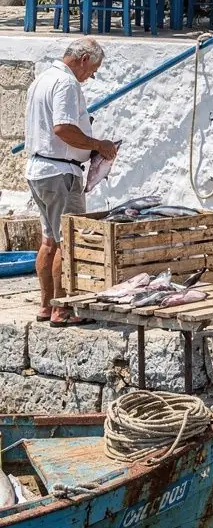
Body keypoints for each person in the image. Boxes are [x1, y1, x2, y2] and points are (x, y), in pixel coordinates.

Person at [24, 37, 118, 327]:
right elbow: (63, 128)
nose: (90, 77)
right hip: (60, 172)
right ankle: (62, 310)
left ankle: (45, 305)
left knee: (49, 241)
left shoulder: (42, 79)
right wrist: (97, 144)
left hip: (39, 169)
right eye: (93, 70)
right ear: (84, 59)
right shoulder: (66, 83)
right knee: (68, 241)